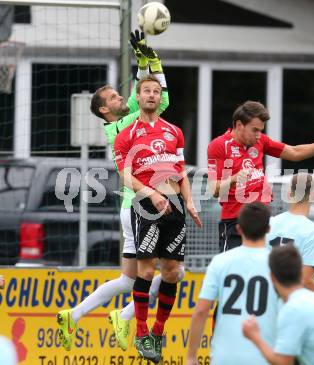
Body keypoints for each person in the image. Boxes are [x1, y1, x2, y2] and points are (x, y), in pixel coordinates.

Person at [56, 30, 184, 352]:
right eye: (114, 98)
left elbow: (156, 95)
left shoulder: (128, 119)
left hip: (143, 206)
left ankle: (78, 314)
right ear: (104, 110)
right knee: (163, 272)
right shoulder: (119, 127)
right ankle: (126, 317)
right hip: (138, 207)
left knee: (132, 278)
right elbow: (155, 97)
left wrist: (148, 59)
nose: (121, 99)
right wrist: (145, 64)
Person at [113, 74, 202, 363]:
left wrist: (188, 201)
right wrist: (151, 193)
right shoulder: (126, 135)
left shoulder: (173, 131)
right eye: (146, 91)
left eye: (155, 91)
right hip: (146, 206)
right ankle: (140, 332)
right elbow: (124, 175)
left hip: (175, 205)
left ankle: (157, 331)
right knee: (147, 271)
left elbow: (180, 170)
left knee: (173, 272)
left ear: (159, 98)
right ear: (137, 98)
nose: (151, 95)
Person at [207, 100, 314, 253]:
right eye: (255, 130)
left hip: (262, 220)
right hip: (235, 221)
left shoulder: (261, 141)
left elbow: (295, 153)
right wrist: (233, 179)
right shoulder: (218, 146)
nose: (259, 135)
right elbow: (214, 189)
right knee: (230, 270)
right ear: (239, 125)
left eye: (261, 130)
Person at [187, 202, 278, 365]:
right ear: (268, 229)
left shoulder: (220, 262)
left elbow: (201, 311)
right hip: (263, 356)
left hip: (225, 357)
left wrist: (191, 357)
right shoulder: (277, 265)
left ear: (238, 229)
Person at [267, 173, 314, 293]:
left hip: (266, 295)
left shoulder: (271, 222)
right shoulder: (313, 231)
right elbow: (306, 280)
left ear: (289, 194)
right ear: (313, 196)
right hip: (290, 299)